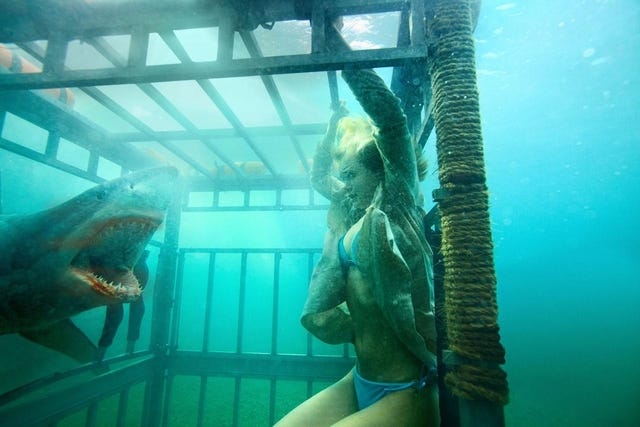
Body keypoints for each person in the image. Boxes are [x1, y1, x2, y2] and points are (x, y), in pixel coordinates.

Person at [275, 22, 439, 427]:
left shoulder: (398, 201)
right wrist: (332, 129)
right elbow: (319, 178)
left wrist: (334, 44)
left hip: (406, 388)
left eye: (350, 175)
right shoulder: (352, 210)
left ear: (379, 170)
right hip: (358, 378)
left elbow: (391, 119)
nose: (343, 185)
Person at [95, 249, 149, 364]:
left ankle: (100, 355)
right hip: (129, 262)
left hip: (122, 262)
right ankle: (128, 350)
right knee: (130, 309)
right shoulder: (139, 265)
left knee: (117, 311)